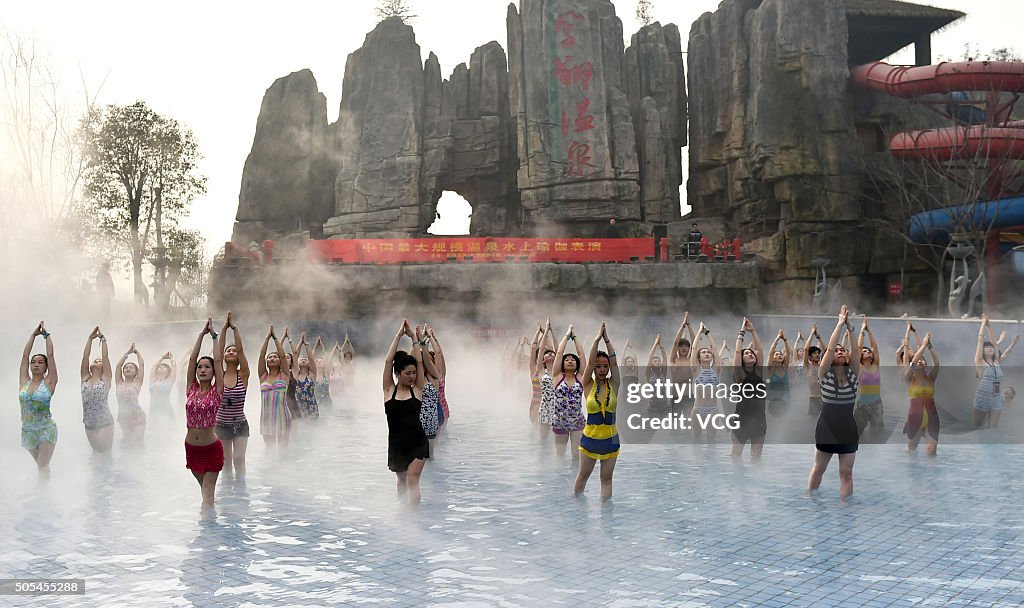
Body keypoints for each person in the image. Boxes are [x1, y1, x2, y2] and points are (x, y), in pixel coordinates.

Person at [807, 305, 860, 501]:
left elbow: (855, 350)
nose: (839, 351)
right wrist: (839, 324)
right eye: (836, 350)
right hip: (826, 428)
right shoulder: (825, 375)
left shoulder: (853, 375)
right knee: (819, 469)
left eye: (842, 350)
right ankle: (811, 502)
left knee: (846, 473)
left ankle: (846, 513)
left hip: (847, 428)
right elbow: (829, 348)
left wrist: (851, 328)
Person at [383, 319, 430, 505]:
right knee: (402, 480)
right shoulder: (388, 390)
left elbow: (419, 361)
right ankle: (402, 515)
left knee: (412, 480)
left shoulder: (417, 389)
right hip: (396, 443)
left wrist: (413, 338)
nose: (412, 376)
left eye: (414, 373)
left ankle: (414, 519)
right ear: (398, 373)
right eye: (408, 373)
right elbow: (388, 361)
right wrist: (398, 335)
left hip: (418, 441)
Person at [574, 323, 620, 498]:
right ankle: (576, 511)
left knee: (606, 480)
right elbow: (590, 361)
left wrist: (606, 340)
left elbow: (614, 361)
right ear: (593, 368)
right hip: (590, 439)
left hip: (611, 439)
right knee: (583, 476)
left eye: (605, 366)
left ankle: (607, 521)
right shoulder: (587, 384)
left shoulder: (614, 384)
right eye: (598, 366)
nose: (601, 369)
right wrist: (596, 339)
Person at [184, 319, 225, 509]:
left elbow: (218, 361)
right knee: (205, 493)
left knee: (208, 493)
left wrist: (214, 337)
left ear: (214, 372)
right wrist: (201, 335)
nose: (202, 369)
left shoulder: (217, 391)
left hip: (211, 450)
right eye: (200, 367)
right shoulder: (190, 388)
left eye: (206, 367)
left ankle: (208, 531)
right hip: (192, 449)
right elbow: (192, 360)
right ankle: (210, 525)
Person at [19, 322, 58, 472]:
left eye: (40, 362)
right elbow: (24, 356)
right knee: (40, 466)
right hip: (27, 430)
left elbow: (51, 355)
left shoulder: (49, 382)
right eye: (33, 362)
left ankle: (43, 493)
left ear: (46, 367)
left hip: (45, 429)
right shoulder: (24, 381)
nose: (36, 364)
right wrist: (33, 335)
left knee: (43, 465)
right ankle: (44, 490)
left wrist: (46, 336)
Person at [216, 313, 251, 477]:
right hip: (221, 424)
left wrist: (234, 328)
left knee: (239, 459)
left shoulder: (243, 375)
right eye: (228, 351)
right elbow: (217, 354)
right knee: (225, 461)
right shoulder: (219, 375)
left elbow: (242, 350)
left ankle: (241, 490)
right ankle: (227, 493)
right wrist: (224, 329)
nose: (231, 352)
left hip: (240, 424)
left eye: (234, 351)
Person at [974, 314, 1017, 429]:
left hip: (996, 398)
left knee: (992, 429)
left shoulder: (997, 362)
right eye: (987, 347)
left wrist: (990, 326)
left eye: (991, 348)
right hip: (982, 397)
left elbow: (995, 343)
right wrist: (983, 323)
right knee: (978, 427)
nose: (990, 348)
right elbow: (980, 340)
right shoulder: (979, 362)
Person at [552, 324, 587, 463]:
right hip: (560, 421)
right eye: (567, 360)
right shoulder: (557, 376)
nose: (570, 361)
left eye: (573, 359)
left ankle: (575, 481)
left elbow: (582, 355)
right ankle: (559, 483)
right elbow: (559, 353)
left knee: (576, 456)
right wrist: (567, 335)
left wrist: (575, 336)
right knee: (560, 457)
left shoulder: (580, 377)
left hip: (577, 420)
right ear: (562, 364)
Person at [733, 318, 767, 460]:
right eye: (746, 354)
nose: (750, 354)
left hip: (759, 418)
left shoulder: (758, 372)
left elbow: (759, 349)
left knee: (756, 457)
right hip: (741, 418)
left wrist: (752, 330)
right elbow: (736, 352)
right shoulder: (739, 374)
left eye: (751, 353)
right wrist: (742, 332)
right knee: (736, 455)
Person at [903, 332, 940, 455]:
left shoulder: (931, 378)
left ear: (925, 364)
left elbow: (937, 363)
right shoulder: (909, 379)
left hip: (932, 419)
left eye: (922, 360)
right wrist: (923, 346)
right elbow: (912, 363)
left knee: (931, 451)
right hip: (914, 419)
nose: (920, 361)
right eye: (918, 359)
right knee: (911, 450)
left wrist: (929, 346)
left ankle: (932, 474)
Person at [80, 326, 115, 452]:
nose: (97, 360)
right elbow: (85, 357)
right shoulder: (84, 378)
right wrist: (90, 339)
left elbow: (105, 356)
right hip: (89, 423)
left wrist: (103, 339)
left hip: (105, 422)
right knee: (96, 453)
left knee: (105, 453)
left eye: (99, 361)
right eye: (95, 360)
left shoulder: (106, 379)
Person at [258, 325, 292, 448]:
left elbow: (283, 356)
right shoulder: (263, 376)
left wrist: (276, 338)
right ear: (266, 362)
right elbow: (261, 356)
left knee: (283, 450)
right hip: (266, 417)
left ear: (279, 361)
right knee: (270, 450)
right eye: (270, 357)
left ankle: (284, 467)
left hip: (283, 415)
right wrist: (267, 338)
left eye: (275, 357)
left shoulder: (284, 375)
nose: (272, 358)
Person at [690, 321, 721, 443]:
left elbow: (715, 349)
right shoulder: (696, 370)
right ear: (699, 358)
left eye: (708, 353)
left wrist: (707, 333)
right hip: (698, 409)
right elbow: (694, 348)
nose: (707, 353)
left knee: (711, 441)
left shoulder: (716, 369)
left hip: (713, 409)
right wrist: (699, 331)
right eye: (703, 352)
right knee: (696, 440)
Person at [854, 318, 884, 440]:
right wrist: (862, 330)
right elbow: (858, 348)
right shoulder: (860, 367)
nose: (868, 352)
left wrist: (869, 330)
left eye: (869, 351)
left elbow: (874, 347)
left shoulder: (876, 366)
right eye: (865, 351)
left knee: (877, 435)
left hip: (877, 405)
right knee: (856, 434)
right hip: (863, 404)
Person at [115, 343, 147, 444]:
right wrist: (127, 353)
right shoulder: (119, 382)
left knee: (138, 441)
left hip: (137, 415)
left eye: (131, 368)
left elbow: (141, 365)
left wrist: (137, 353)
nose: (128, 369)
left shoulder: (137, 383)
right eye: (126, 368)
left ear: (136, 373)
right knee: (127, 440)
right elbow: (118, 366)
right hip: (123, 416)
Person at [670, 313, 696, 416]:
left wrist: (689, 326)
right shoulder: (673, 360)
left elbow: (694, 343)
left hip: (689, 396)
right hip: (675, 397)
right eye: (681, 346)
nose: (684, 348)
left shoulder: (691, 361)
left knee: (689, 424)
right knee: (674, 425)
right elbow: (675, 343)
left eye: (686, 346)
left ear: (689, 349)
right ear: (678, 348)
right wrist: (682, 326)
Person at [765, 330, 790, 418]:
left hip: (786, 399)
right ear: (773, 358)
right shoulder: (771, 370)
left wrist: (785, 340)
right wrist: (777, 338)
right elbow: (770, 353)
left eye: (780, 354)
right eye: (777, 355)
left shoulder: (785, 367)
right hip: (772, 400)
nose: (779, 355)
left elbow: (788, 353)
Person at [803, 325, 825, 417]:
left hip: (825, 398)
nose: (817, 355)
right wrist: (812, 333)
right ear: (809, 356)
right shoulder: (807, 366)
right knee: (813, 420)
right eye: (814, 353)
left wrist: (819, 337)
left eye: (818, 353)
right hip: (814, 398)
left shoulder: (822, 366)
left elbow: (827, 351)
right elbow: (806, 349)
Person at [150, 352, 177, 424]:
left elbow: (174, 367)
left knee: (166, 428)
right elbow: (154, 366)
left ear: (168, 371)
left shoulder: (169, 381)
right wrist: (162, 357)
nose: (161, 367)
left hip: (165, 408)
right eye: (160, 367)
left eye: (164, 367)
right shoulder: (153, 380)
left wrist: (171, 358)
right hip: (153, 409)